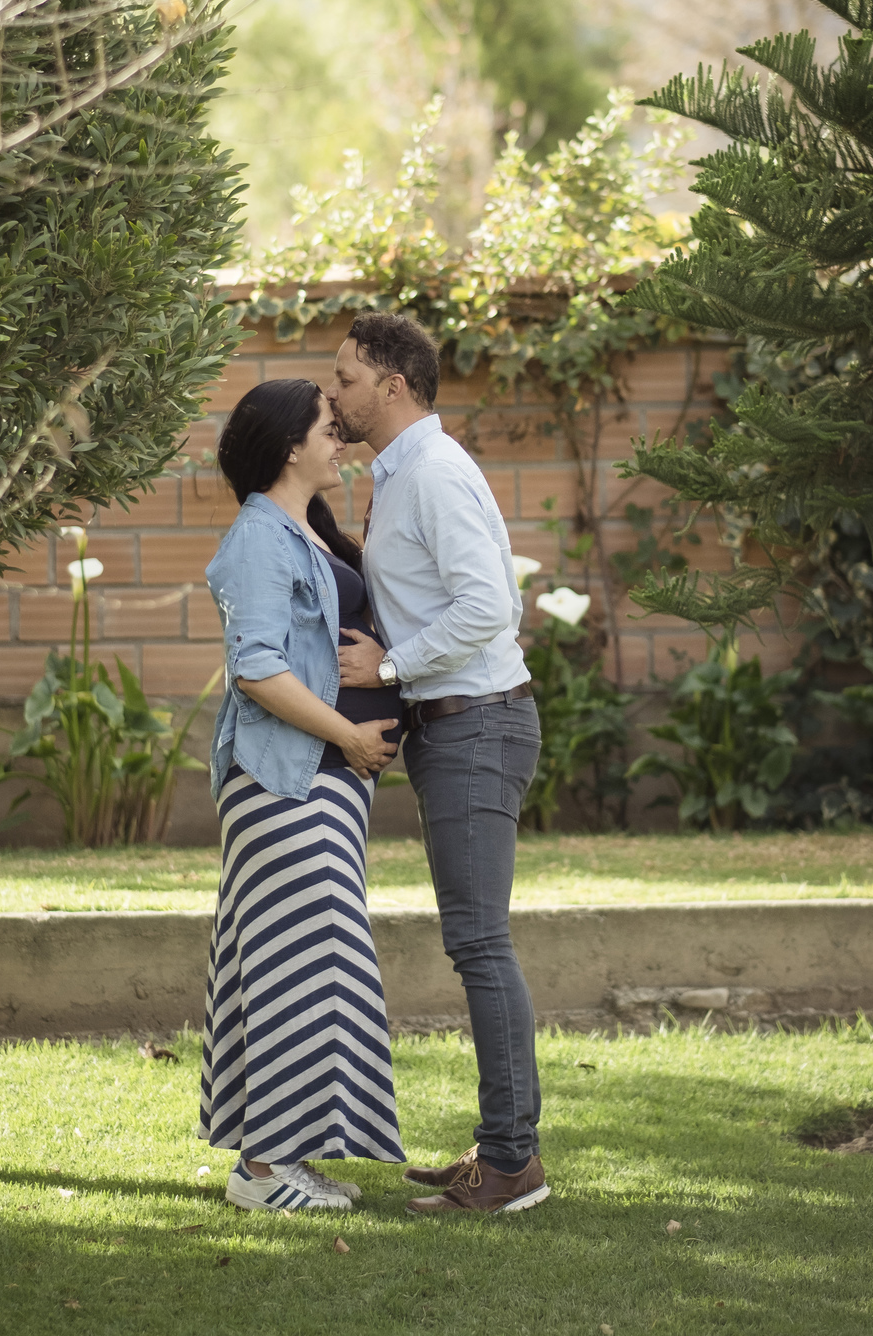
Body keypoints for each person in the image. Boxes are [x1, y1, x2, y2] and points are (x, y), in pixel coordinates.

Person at [325, 311, 550, 1217]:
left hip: (477, 727)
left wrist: (385, 666)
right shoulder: (406, 472)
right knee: (477, 941)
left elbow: (489, 608)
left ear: (393, 385)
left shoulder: (433, 473)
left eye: (345, 377)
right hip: (456, 729)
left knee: (479, 943)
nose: (333, 393)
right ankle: (503, 1151)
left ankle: (510, 1166)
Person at [198, 378, 407, 1214]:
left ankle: (277, 1157)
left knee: (300, 965)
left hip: (322, 785)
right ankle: (261, 1173)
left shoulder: (303, 533)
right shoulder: (258, 537)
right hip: (286, 780)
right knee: (303, 966)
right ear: (290, 446)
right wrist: (351, 736)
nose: (341, 440)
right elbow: (256, 670)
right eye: (329, 428)